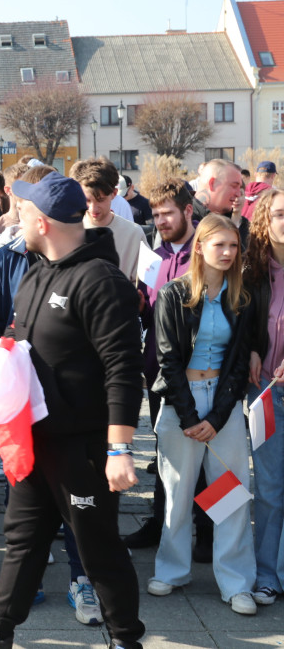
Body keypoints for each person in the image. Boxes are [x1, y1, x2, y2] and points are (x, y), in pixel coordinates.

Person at [0, 171, 145, 649]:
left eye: (23, 211)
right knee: (23, 537)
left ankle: (127, 640)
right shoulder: (35, 271)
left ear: (43, 221)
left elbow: (123, 368)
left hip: (84, 446)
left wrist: (120, 448)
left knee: (98, 548)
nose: (15, 218)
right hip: (34, 440)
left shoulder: (101, 280)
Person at [149, 214, 257, 615]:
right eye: (220, 245)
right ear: (201, 247)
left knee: (229, 494)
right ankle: (172, 571)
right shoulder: (174, 294)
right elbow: (167, 361)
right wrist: (192, 416)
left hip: (222, 402)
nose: (228, 253)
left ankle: (236, 582)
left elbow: (239, 362)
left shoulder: (241, 297)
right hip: (182, 401)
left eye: (233, 246)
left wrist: (218, 417)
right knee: (178, 493)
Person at [124, 179, 205, 551]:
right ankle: (160, 524)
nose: (160, 221)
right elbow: (145, 307)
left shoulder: (206, 254)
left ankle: (208, 533)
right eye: (155, 215)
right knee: (164, 454)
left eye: (167, 213)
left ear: (188, 211)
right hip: (159, 374)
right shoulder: (153, 258)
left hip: (202, 374)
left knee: (209, 459)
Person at [243, 187, 284, 606]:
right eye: (280, 214)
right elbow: (243, 323)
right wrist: (253, 347)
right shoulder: (253, 270)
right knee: (270, 486)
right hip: (266, 394)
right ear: (265, 220)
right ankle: (267, 574)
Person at [70, 157, 146, 282]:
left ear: (114, 194)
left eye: (100, 200)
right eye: (87, 200)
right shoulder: (68, 231)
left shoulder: (134, 234)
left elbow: (145, 284)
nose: (93, 208)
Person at [193, 159, 248, 247]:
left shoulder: (243, 225)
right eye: (234, 186)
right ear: (212, 183)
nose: (238, 194)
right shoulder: (184, 221)